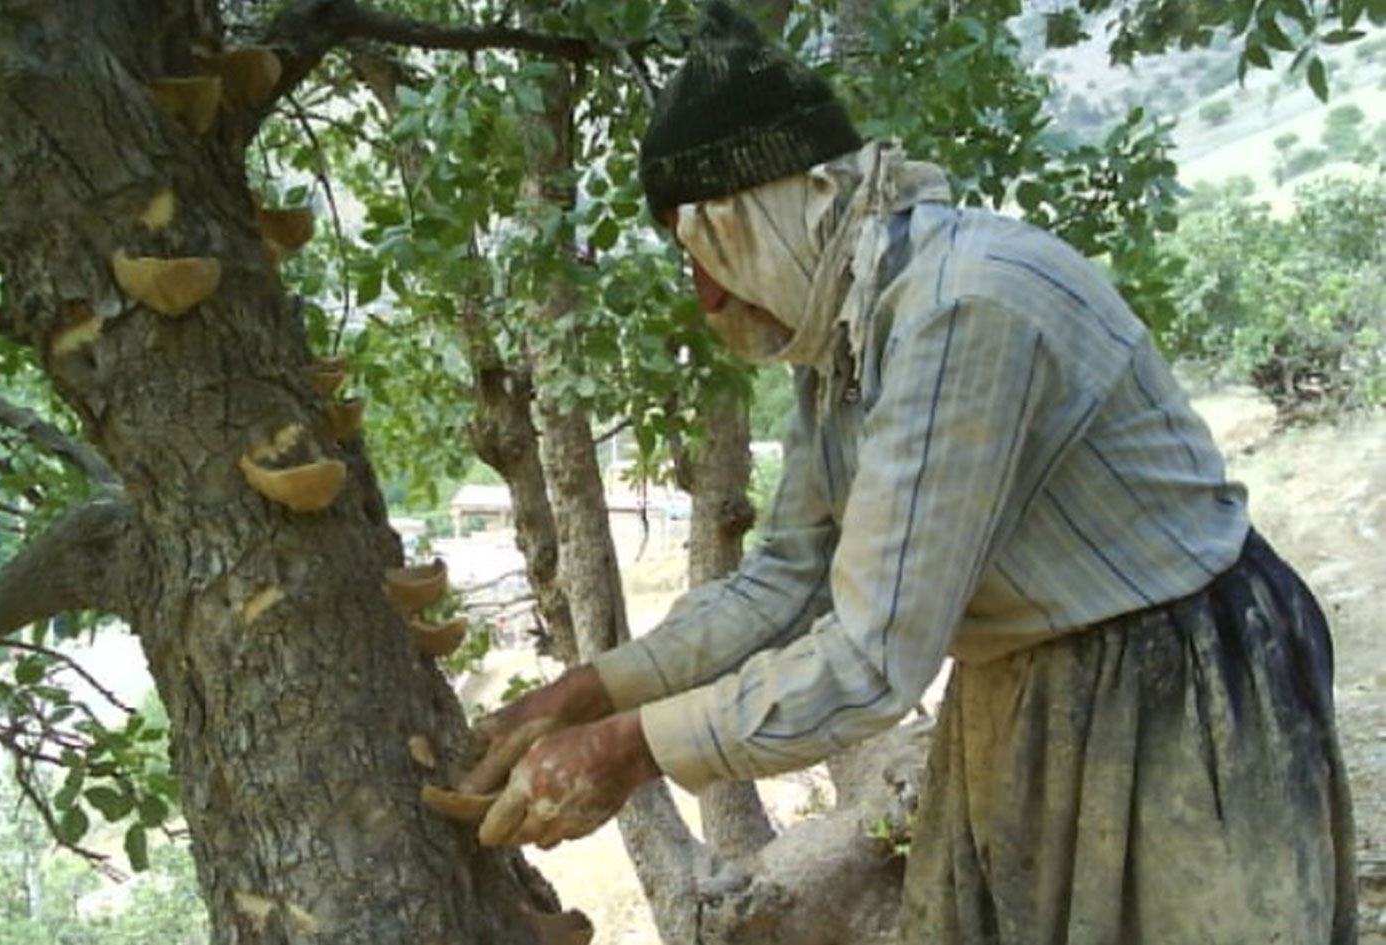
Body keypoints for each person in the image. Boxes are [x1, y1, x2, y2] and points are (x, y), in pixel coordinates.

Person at [459, 3, 1358, 941]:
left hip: (1179, 678)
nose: (709, 298)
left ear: (764, 219)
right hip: (1027, 683)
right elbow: (788, 579)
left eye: (707, 259)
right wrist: (590, 691)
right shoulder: (846, 336)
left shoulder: (962, 308)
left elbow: (870, 658)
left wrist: (629, 748)